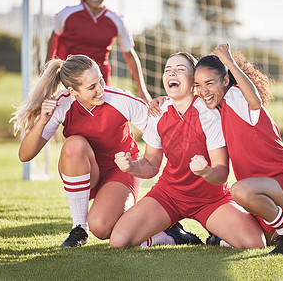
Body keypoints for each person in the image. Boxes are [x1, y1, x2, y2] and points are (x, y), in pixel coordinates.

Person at [11, 54, 195, 248]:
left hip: (121, 171)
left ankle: (168, 235)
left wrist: (165, 102)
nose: (100, 89)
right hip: (86, 171)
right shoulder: (62, 104)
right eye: (92, 87)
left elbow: (160, 122)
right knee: (74, 145)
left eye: (100, 80)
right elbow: (25, 155)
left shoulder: (120, 100)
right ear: (73, 91)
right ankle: (79, 229)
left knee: (101, 228)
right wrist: (42, 120)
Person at [110, 52, 266, 249]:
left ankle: (217, 237)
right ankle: (173, 236)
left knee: (254, 243)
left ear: (194, 81)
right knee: (118, 241)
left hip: (210, 200)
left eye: (180, 69)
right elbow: (150, 165)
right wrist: (132, 166)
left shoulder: (210, 114)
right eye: (168, 70)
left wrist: (206, 172)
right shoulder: (158, 112)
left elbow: (221, 172)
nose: (172, 73)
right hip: (168, 196)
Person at [192, 44, 283, 254]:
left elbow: (255, 100)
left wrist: (230, 64)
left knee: (239, 190)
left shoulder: (236, 97)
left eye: (209, 83)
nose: (203, 90)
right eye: (198, 85)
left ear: (226, 80)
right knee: (265, 239)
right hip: (261, 192)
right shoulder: (218, 109)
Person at [46, 0, 152, 104]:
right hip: (70, 78)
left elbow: (129, 54)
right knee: (69, 118)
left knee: (98, 119)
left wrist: (142, 89)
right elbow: (54, 38)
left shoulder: (117, 21)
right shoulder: (67, 14)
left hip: (99, 80)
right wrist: (46, 70)